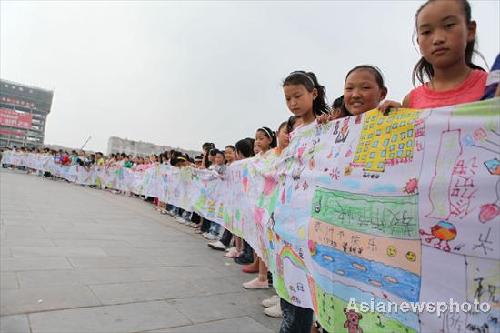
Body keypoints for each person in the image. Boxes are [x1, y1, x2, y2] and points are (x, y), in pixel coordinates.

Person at [379, 0, 487, 111]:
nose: (438, 39)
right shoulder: (410, 102)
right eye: (426, 32)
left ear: (470, 30)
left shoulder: (493, 87)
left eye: (449, 25)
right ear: (418, 43)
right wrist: (397, 117)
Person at [242, 126, 276, 289]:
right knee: (260, 240)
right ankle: (262, 276)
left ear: (270, 139)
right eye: (256, 138)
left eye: (261, 138)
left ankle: (265, 277)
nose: (258, 141)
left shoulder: (274, 155)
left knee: (267, 243)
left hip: (268, 204)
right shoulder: (256, 159)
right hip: (257, 204)